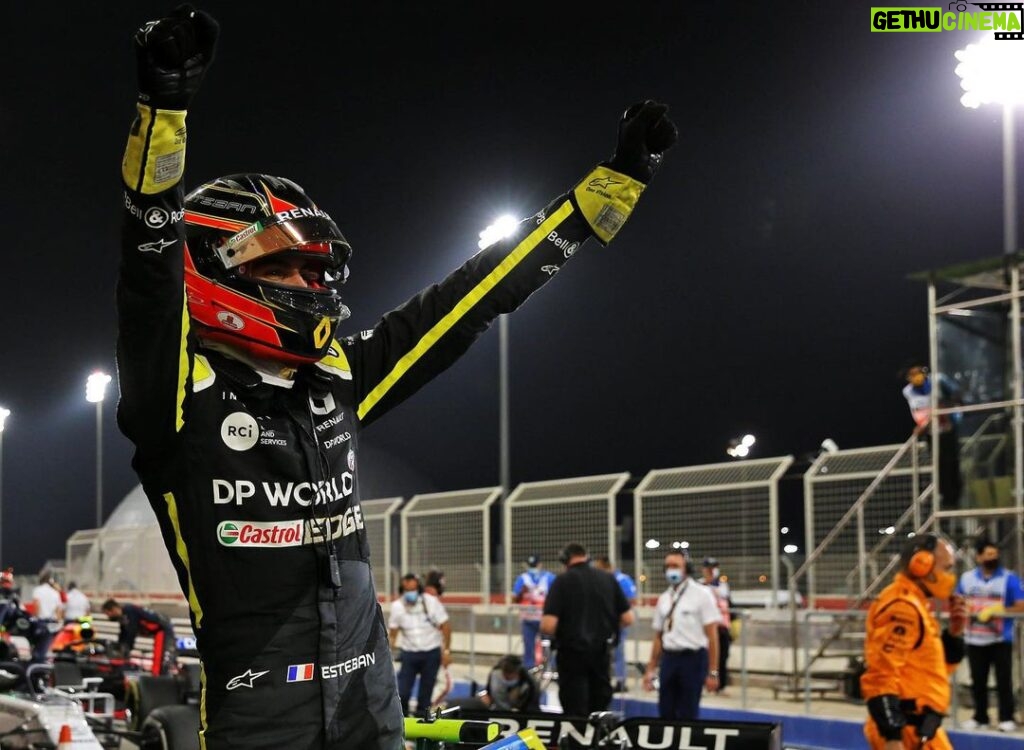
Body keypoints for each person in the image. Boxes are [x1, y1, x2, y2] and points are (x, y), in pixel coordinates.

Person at [115, 5, 675, 746]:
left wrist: (604, 194)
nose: (307, 284)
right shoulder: (174, 397)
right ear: (213, 274)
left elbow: (471, 297)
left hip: (370, 703)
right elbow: (148, 269)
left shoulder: (338, 374)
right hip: (258, 716)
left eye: (314, 267)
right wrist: (164, 114)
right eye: (279, 265)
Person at [860, 533, 969, 749]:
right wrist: (892, 736)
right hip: (906, 732)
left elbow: (930, 668)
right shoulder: (903, 608)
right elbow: (881, 675)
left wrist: (955, 633)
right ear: (921, 565)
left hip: (921, 730)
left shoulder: (915, 605)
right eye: (946, 568)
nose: (950, 576)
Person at [540, 543, 632, 717]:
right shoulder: (608, 579)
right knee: (599, 712)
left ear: (566, 560)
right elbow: (628, 618)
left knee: (575, 711)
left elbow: (548, 625)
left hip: (572, 656)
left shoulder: (562, 582)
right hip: (601, 655)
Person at [955, 538, 1024, 732]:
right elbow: (957, 600)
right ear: (978, 557)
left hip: (1000, 638)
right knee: (978, 681)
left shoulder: (1008, 578)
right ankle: (980, 717)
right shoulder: (967, 578)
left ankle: (1006, 717)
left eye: (995, 554)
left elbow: (1021, 604)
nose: (992, 558)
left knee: (1004, 680)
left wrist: (1000, 609)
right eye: (988, 555)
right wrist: (965, 607)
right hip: (974, 638)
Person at [643, 550, 721, 720]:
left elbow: (712, 636)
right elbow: (658, 636)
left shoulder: (702, 594)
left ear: (687, 569)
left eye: (676, 566)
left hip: (693, 660)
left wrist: (713, 672)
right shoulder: (664, 598)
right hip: (669, 659)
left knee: (688, 712)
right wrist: (650, 668)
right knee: (665, 710)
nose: (671, 570)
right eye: (668, 566)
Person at [388, 574, 451, 716]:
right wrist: (387, 654)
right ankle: (402, 722)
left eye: (413, 589)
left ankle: (422, 723)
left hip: (431, 653)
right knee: (402, 692)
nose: (410, 593)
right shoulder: (397, 607)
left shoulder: (431, 602)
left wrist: (446, 651)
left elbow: (446, 626)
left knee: (425, 696)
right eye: (407, 590)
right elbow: (393, 633)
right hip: (409, 654)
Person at [902, 363, 963, 509]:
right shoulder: (908, 391)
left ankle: (955, 497)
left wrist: (945, 409)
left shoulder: (939, 380)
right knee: (938, 465)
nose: (916, 377)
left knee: (951, 463)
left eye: (918, 373)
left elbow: (957, 396)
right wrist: (923, 424)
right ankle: (944, 498)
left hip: (947, 429)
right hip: (931, 431)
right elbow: (918, 410)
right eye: (912, 374)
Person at [592, 555, 637, 691]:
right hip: (604, 622)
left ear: (606, 566)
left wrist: (620, 618)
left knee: (618, 652)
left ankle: (621, 681)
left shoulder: (622, 580)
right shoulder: (601, 580)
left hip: (618, 622)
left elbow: (630, 600)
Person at [101, 599, 176, 676]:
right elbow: (123, 634)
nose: (108, 616)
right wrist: (121, 647)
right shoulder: (124, 617)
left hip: (162, 628)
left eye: (108, 613)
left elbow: (131, 632)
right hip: (157, 631)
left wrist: (125, 649)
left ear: (113, 609)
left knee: (160, 656)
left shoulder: (129, 611)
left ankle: (159, 677)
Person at [448, 654, 540, 713]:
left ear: (517, 673)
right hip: (496, 708)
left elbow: (532, 706)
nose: (506, 678)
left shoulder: (530, 684)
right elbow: (489, 694)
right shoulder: (495, 673)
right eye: (505, 675)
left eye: (510, 676)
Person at [512, 555, 556, 669]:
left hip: (544, 619)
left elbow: (557, 594)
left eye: (535, 565)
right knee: (528, 647)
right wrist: (521, 592)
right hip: (528, 619)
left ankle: (551, 668)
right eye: (531, 566)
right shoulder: (522, 579)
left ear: (540, 565)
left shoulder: (549, 578)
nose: (533, 568)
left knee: (548, 646)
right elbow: (514, 598)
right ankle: (529, 669)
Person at [700, 556, 733, 693]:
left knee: (722, 656)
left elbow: (723, 596)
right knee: (704, 657)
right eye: (709, 568)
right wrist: (707, 583)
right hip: (704, 627)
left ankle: (720, 685)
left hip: (721, 627)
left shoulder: (722, 585)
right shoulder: (699, 585)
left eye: (714, 568)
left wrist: (712, 583)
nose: (712, 571)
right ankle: (704, 683)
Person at [29, 574, 62, 664]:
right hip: (51, 623)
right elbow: (58, 610)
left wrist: (35, 617)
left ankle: (35, 664)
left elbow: (37, 606)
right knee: (44, 646)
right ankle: (39, 663)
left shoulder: (38, 590)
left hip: (40, 622)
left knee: (36, 645)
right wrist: (59, 622)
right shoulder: (55, 592)